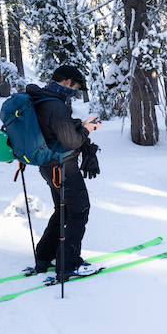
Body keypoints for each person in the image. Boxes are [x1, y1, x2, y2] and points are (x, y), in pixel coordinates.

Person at [27, 65, 101, 279]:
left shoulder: (42, 99)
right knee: (78, 211)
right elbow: (70, 141)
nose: (76, 91)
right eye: (76, 86)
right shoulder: (55, 105)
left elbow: (55, 129)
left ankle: (44, 257)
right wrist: (86, 130)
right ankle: (68, 264)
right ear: (68, 81)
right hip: (63, 166)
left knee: (63, 212)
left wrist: (79, 124)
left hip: (49, 166)